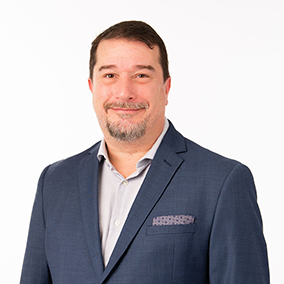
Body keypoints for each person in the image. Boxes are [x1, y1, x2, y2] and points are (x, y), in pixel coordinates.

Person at [20, 20, 269, 284]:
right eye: (110, 75)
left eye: (141, 75)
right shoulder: (55, 181)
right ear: (92, 88)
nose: (124, 92)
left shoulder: (222, 181)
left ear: (166, 88)